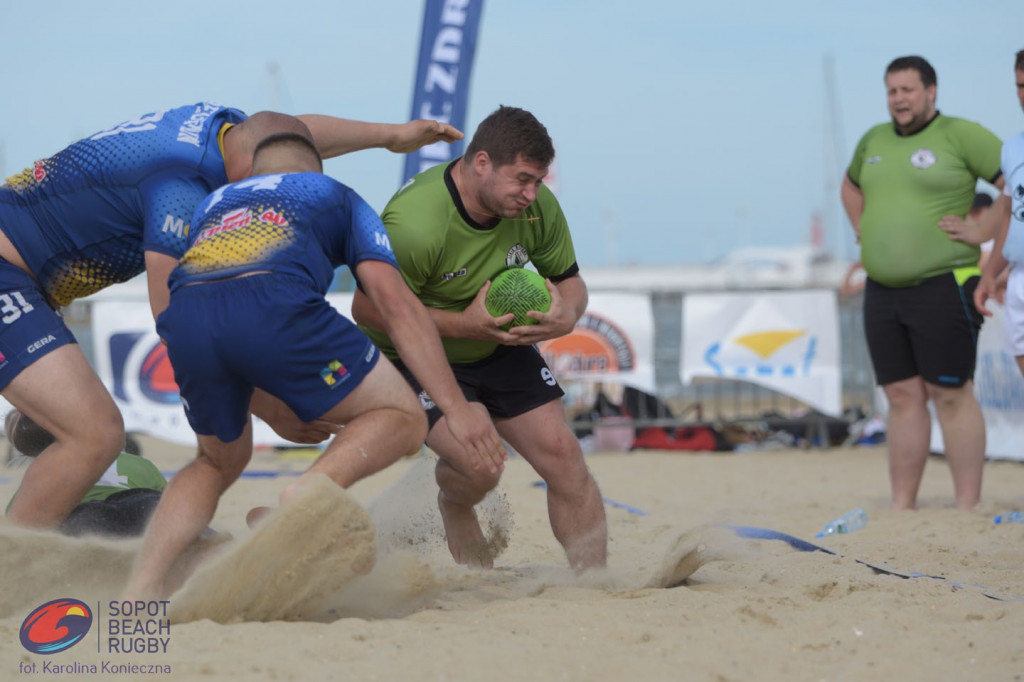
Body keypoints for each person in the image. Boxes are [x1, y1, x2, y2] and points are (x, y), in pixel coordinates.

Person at [0, 102, 463, 529]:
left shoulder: (221, 133)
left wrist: (390, 135)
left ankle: (35, 428)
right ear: (245, 171)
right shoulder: (179, 189)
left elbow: (291, 136)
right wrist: (271, 408)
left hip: (31, 278)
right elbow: (173, 322)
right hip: (9, 273)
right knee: (96, 435)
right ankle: (16, 575)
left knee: (78, 428)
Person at [124, 129, 505, 599]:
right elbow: (396, 306)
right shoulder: (331, 194)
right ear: (314, 168)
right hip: (273, 298)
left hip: (184, 317)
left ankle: (141, 588)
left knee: (214, 461)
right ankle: (305, 498)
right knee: (402, 417)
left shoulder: (213, 203)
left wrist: (273, 408)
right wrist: (456, 407)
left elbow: (222, 311)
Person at [352, 105, 608, 570]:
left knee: (564, 457)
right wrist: (462, 324)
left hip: (497, 345)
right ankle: (454, 502)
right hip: (417, 355)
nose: (532, 194)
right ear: (482, 162)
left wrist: (566, 315)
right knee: (480, 467)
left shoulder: (536, 208)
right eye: (523, 179)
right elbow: (365, 309)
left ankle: (594, 584)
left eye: (539, 180)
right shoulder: (416, 223)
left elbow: (571, 282)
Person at [840, 56, 1005, 510]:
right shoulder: (873, 140)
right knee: (900, 395)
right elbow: (851, 187)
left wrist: (985, 230)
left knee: (950, 394)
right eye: (892, 91)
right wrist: (863, 229)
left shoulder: (961, 134)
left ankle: (968, 504)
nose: (899, 99)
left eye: (908, 90)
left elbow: (1014, 182)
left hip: (942, 283)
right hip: (882, 289)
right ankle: (902, 505)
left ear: (931, 91)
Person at [5, 409, 166, 537]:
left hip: (85, 517)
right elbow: (170, 499)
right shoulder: (138, 463)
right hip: (144, 503)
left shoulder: (36, 479)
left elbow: (19, 524)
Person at [976, 49, 1024, 379]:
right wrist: (990, 275)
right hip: (1019, 275)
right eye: (1020, 85)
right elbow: (1009, 216)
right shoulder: (1012, 148)